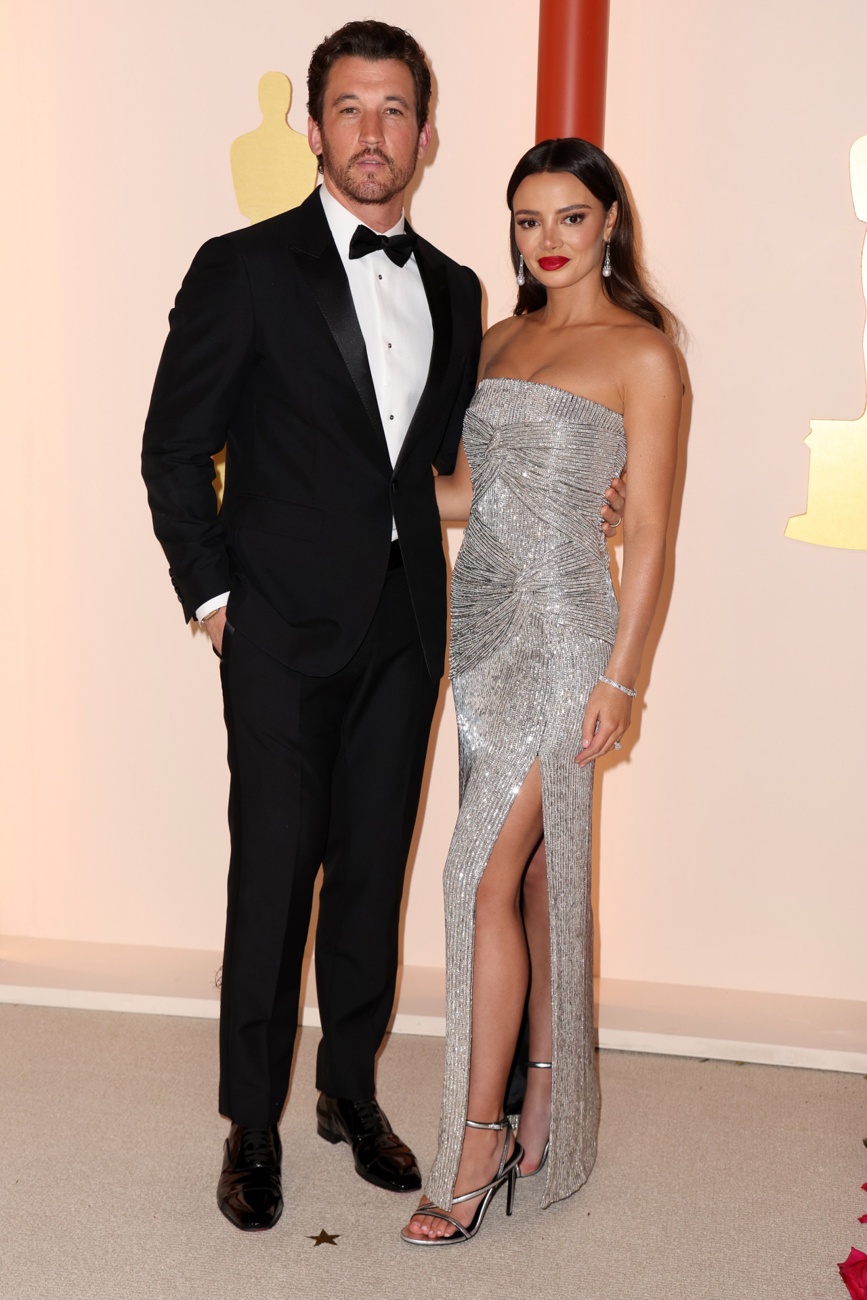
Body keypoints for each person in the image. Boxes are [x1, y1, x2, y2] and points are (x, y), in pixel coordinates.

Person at [142, 22, 625, 1233]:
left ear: (427, 134)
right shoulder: (241, 266)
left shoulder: (460, 291)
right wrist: (214, 602)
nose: (373, 132)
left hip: (412, 633)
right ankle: (250, 1123)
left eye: (395, 109)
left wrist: (590, 485)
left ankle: (347, 1090)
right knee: (273, 880)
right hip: (277, 633)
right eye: (349, 109)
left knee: (372, 878)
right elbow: (171, 445)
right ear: (316, 131)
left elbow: (454, 470)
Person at [402, 137, 681, 1245]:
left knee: (474, 873)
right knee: (525, 879)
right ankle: (548, 1102)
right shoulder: (502, 337)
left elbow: (652, 532)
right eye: (528, 220)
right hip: (480, 629)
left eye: (570, 217)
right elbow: (467, 492)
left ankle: (473, 1140)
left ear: (609, 222)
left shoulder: (643, 354)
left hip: (570, 635)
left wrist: (624, 676)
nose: (547, 239)